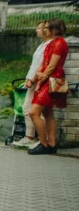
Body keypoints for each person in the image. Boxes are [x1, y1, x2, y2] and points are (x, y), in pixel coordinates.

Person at [28, 17, 70, 155]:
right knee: (47, 112)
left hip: (52, 78)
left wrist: (42, 77)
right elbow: (44, 62)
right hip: (48, 78)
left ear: (55, 29)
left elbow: (52, 65)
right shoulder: (53, 43)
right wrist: (38, 75)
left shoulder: (59, 43)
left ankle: (43, 143)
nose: (45, 30)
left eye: (47, 28)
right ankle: (52, 144)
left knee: (34, 112)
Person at [13, 20, 52, 149]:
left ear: (46, 30)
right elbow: (34, 64)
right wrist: (28, 78)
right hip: (32, 80)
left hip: (39, 81)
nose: (37, 30)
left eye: (39, 28)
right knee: (28, 109)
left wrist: (33, 79)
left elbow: (42, 65)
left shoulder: (48, 45)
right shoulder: (42, 44)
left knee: (34, 111)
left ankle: (39, 139)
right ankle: (31, 137)